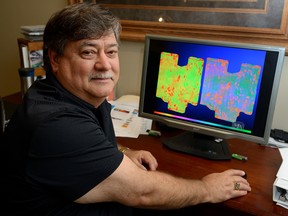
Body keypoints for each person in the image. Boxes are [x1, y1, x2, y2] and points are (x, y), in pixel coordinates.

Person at [0, 2, 251, 216]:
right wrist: (208, 188)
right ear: (55, 59)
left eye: (111, 51)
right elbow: (144, 191)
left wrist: (119, 151)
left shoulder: (66, 94)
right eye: (88, 52)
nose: (104, 64)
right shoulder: (55, 124)